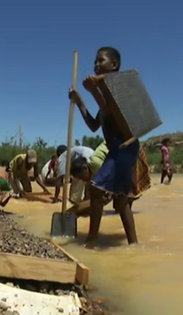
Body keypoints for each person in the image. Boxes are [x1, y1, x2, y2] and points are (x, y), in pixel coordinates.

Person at [68, 46, 139, 248]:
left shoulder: (118, 89)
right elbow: (94, 125)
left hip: (125, 146)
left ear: (114, 64)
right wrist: (80, 101)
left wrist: (92, 91)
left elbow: (109, 110)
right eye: (95, 62)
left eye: (101, 61)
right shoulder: (105, 93)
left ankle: (92, 240)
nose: (96, 65)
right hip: (118, 148)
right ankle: (134, 244)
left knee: (96, 189)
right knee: (122, 200)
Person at [70, 141, 151, 212]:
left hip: (128, 152)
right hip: (123, 155)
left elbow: (113, 176)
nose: (83, 180)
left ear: (85, 168)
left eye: (81, 177)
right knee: (119, 201)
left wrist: (109, 194)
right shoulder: (93, 171)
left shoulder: (95, 164)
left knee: (126, 194)